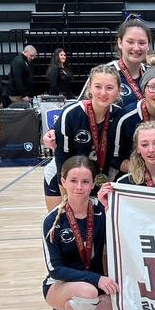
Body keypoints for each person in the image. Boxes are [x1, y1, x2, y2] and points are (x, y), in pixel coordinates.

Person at [43, 155, 119, 310]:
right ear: (63, 182)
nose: (79, 187)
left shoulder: (102, 212)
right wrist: (97, 279)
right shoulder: (53, 221)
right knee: (87, 292)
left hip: (96, 288)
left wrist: (112, 205)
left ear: (93, 184)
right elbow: (55, 270)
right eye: (73, 181)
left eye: (85, 182)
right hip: (60, 286)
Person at [46, 65, 124, 210]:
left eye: (109, 87)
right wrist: (68, 202)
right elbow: (61, 162)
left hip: (100, 181)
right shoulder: (71, 114)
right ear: (89, 88)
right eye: (98, 86)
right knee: (65, 225)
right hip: (64, 179)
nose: (103, 92)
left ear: (118, 90)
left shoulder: (120, 115)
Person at [115, 59, 155, 174]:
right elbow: (114, 158)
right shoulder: (125, 117)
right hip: (135, 176)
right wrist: (146, 173)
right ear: (143, 90)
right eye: (153, 87)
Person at [79, 16, 151, 108]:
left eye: (142, 43)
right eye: (130, 42)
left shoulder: (152, 74)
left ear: (148, 45)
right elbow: (83, 108)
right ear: (120, 42)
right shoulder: (104, 73)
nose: (136, 48)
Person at [113, 121, 155, 188]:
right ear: (137, 148)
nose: (151, 150)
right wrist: (105, 200)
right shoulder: (125, 184)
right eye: (144, 145)